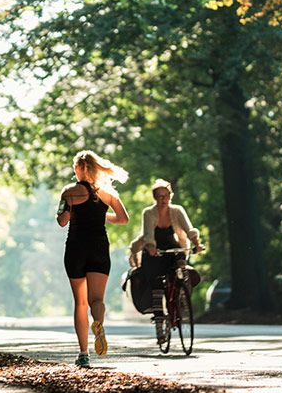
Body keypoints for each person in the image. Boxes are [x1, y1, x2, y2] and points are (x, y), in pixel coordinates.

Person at [56, 150, 129, 367]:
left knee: (80, 303)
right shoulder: (107, 193)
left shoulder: (69, 192)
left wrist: (70, 208)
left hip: (76, 249)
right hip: (99, 248)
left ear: (77, 169)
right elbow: (123, 219)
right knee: (96, 301)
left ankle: (84, 353)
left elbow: (61, 221)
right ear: (95, 169)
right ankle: (98, 323)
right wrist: (100, 214)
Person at [139, 179, 202, 342]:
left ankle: (182, 297)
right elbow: (147, 235)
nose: (163, 200)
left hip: (174, 248)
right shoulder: (149, 213)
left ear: (170, 196)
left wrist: (197, 244)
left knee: (182, 267)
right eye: (159, 197)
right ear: (154, 197)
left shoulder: (177, 211)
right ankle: (160, 328)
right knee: (157, 288)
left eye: (166, 196)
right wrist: (151, 247)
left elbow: (189, 229)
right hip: (156, 252)